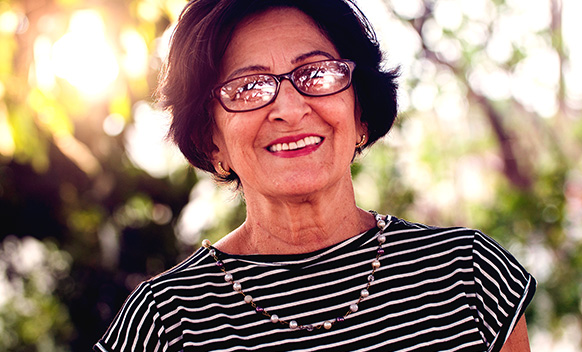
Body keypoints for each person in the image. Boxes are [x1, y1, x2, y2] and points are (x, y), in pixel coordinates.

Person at [94, 0, 536, 351]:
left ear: (360, 110)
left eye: (317, 73)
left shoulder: (468, 276)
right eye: (249, 86)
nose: (289, 109)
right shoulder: (168, 321)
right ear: (212, 140)